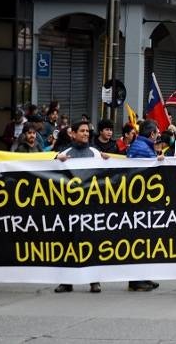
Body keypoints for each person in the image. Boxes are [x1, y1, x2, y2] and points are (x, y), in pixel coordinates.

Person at [54, 120, 104, 294]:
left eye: (88, 132)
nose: (86, 134)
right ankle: (67, 281)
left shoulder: (95, 153)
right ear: (72, 133)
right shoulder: (64, 153)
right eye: (82, 131)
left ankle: (93, 280)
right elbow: (50, 174)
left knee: (91, 242)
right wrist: (55, 160)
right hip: (69, 207)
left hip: (90, 207)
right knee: (69, 243)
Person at [124, 120, 162, 292]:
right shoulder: (141, 147)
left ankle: (143, 276)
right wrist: (157, 160)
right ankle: (136, 280)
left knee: (144, 240)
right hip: (138, 202)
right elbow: (145, 170)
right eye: (157, 132)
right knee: (138, 240)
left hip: (142, 200)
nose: (159, 135)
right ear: (152, 134)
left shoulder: (142, 145)